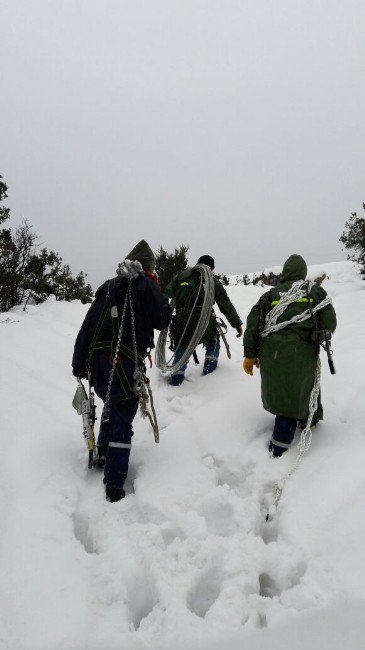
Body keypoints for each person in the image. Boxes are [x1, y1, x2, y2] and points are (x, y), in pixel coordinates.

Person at [72, 240, 171, 502]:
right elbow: (162, 320)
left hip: (97, 363)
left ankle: (103, 451)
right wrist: (155, 290)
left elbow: (87, 325)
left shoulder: (107, 288)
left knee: (113, 405)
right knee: (122, 418)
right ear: (147, 267)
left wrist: (78, 363)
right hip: (124, 361)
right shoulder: (143, 284)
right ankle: (114, 485)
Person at [243, 254, 337, 457]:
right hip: (301, 352)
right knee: (301, 387)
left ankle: (308, 419)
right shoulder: (315, 292)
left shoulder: (269, 295)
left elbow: (253, 323)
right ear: (303, 272)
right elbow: (330, 322)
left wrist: (250, 355)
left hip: (271, 353)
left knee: (285, 390)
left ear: (285, 272)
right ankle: (279, 447)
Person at [166, 255, 243, 385]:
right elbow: (225, 304)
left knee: (182, 345)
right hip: (205, 325)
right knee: (213, 341)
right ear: (211, 268)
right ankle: (209, 372)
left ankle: (176, 380)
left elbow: (168, 292)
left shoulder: (181, 276)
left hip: (182, 323)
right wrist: (236, 324)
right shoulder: (213, 281)